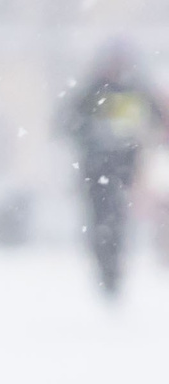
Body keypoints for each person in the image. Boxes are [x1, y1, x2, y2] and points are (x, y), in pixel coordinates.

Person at [57, 38, 163, 300]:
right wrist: (95, 135)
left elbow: (157, 118)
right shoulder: (92, 92)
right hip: (96, 172)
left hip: (125, 173)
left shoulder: (136, 91)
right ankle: (106, 272)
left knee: (118, 223)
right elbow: (67, 123)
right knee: (100, 223)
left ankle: (114, 272)